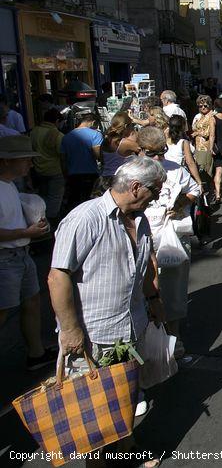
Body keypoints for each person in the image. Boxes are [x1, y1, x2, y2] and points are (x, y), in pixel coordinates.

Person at [48, 156, 166, 467]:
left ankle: (127, 451)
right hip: (94, 334)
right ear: (136, 187)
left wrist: (153, 299)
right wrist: (71, 330)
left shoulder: (139, 219)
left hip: (130, 327)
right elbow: (57, 276)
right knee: (92, 412)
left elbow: (140, 267)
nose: (157, 197)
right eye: (155, 190)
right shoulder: (85, 218)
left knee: (123, 397)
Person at [136, 126, 199, 356]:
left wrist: (181, 203)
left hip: (172, 236)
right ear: (140, 151)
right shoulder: (128, 172)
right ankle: (146, 338)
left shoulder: (175, 169)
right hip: (141, 238)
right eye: (153, 154)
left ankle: (174, 337)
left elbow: (195, 191)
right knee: (142, 290)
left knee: (173, 288)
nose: (159, 158)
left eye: (162, 152)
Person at [0, 136, 56, 370]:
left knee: (31, 301)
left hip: (20, 254)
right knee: (3, 311)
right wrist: (27, 231)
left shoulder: (10, 184)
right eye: (25, 159)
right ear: (5, 161)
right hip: (5, 258)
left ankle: (36, 353)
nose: (30, 165)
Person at [60, 111, 103, 211]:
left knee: (75, 202)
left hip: (72, 174)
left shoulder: (66, 137)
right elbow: (97, 155)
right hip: (90, 173)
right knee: (90, 203)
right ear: (93, 122)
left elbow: (62, 158)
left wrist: (65, 173)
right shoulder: (95, 134)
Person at [29, 108, 65, 223]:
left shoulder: (34, 131)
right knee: (55, 196)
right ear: (57, 121)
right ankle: (51, 219)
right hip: (54, 170)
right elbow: (62, 154)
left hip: (37, 169)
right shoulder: (57, 135)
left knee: (43, 195)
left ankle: (42, 217)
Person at [95, 112, 141, 195]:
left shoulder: (105, 141)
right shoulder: (125, 143)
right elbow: (146, 153)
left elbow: (101, 160)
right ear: (127, 127)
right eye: (132, 125)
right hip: (119, 181)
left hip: (104, 180)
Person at [166, 114, 203, 187]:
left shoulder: (164, 140)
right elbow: (190, 163)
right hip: (179, 175)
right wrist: (199, 182)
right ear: (182, 128)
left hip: (166, 174)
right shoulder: (183, 142)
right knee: (194, 192)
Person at [191, 95, 216, 183]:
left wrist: (197, 133)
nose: (203, 108)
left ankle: (209, 191)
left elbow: (209, 133)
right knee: (199, 168)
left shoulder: (211, 117)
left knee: (204, 169)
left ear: (210, 105)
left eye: (205, 105)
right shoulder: (201, 116)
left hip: (205, 146)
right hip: (198, 145)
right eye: (200, 106)